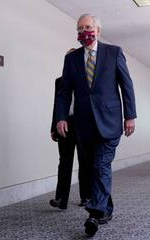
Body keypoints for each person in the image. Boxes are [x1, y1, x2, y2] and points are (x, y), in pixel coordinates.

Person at [56, 14, 137, 236]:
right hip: (83, 124)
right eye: (80, 28)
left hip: (110, 122)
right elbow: (64, 92)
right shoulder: (71, 59)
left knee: (100, 164)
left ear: (98, 30)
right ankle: (107, 208)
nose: (84, 31)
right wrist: (61, 117)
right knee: (93, 168)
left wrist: (130, 116)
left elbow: (126, 85)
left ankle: (95, 213)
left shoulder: (114, 52)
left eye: (88, 27)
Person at [50, 49, 91, 209]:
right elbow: (57, 104)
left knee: (85, 161)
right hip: (64, 124)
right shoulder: (59, 81)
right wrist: (54, 126)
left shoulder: (87, 78)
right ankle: (61, 199)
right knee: (64, 162)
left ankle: (86, 197)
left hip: (83, 124)